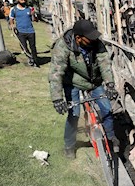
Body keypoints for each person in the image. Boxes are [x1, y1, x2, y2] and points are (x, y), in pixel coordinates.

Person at [48, 19, 119, 158]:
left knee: (107, 109)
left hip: (93, 81)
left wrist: (110, 84)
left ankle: (111, 137)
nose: (94, 41)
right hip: (72, 82)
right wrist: (57, 98)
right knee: (74, 115)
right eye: (89, 38)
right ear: (78, 38)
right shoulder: (63, 46)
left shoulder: (95, 43)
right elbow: (56, 72)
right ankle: (69, 145)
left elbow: (104, 63)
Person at [9, 0, 39, 67]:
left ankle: (35, 62)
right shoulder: (14, 9)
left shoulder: (29, 8)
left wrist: (33, 14)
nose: (23, 1)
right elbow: (11, 19)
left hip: (30, 31)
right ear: (17, 0)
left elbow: (36, 20)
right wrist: (12, 26)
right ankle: (30, 58)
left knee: (33, 47)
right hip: (20, 31)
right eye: (21, 0)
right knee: (24, 47)